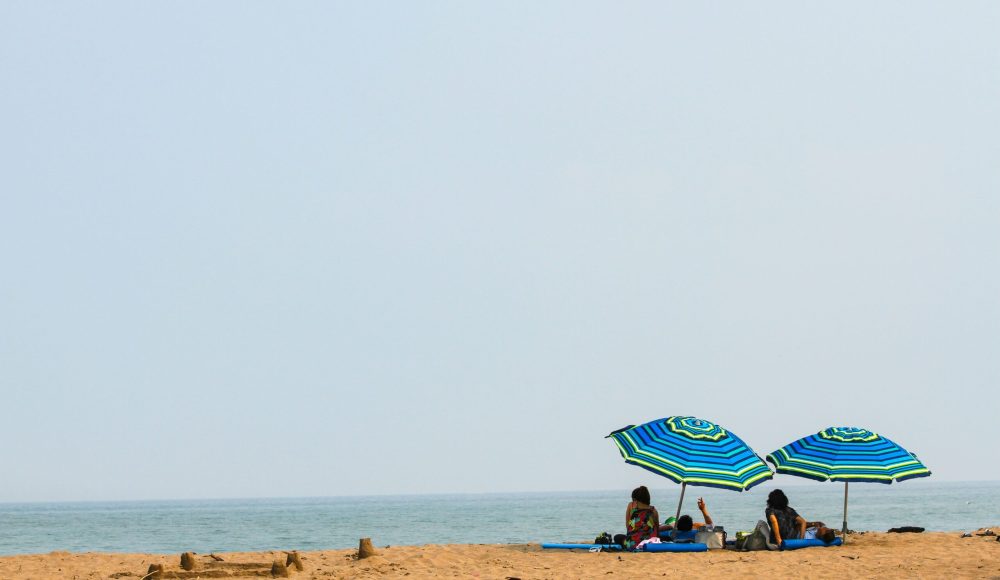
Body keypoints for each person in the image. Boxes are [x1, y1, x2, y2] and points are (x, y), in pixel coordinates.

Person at [615, 485, 661, 550]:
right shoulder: (654, 510)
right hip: (650, 543)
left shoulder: (631, 506)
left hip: (633, 544)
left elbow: (628, 526)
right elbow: (657, 530)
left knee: (617, 537)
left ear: (635, 499)